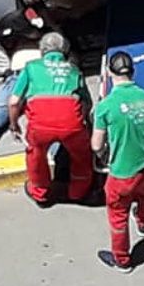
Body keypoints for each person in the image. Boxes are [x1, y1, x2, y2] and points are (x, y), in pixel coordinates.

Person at [91, 51, 144, 273]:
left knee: (118, 216)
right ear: (133, 71)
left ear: (109, 72)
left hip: (123, 173)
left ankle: (121, 259)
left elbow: (96, 145)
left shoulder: (106, 106)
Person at [8, 32, 94, 206]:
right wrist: (80, 122)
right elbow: (87, 103)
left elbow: (14, 101)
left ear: (42, 50)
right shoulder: (74, 70)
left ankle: (40, 193)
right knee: (82, 156)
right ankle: (78, 191)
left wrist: (14, 124)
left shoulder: (31, 67)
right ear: (65, 51)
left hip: (40, 125)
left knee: (36, 156)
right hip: (71, 123)